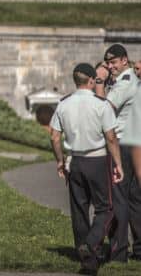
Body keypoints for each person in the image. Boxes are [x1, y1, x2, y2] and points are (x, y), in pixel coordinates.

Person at [51, 63, 124, 273]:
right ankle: (91, 243)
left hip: (74, 162)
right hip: (97, 161)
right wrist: (118, 164)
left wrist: (59, 160)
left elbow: (55, 137)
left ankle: (88, 260)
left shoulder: (63, 103)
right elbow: (110, 137)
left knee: (79, 210)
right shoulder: (101, 104)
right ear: (92, 80)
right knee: (106, 208)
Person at [95, 44, 141, 262]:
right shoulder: (132, 79)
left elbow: (103, 109)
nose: (110, 66)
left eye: (113, 62)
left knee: (118, 198)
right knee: (134, 198)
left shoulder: (124, 84)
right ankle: (139, 249)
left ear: (125, 60)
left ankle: (118, 252)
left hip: (121, 144)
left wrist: (99, 81)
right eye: (108, 63)